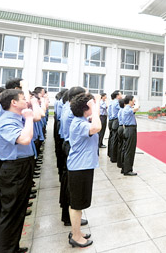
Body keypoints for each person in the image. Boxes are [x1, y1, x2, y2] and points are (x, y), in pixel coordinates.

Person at [0, 89, 38, 253]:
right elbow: (25, 139)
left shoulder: (16, 118)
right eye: (23, 98)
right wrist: (29, 119)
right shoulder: (6, 121)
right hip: (14, 169)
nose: (26, 101)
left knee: (18, 211)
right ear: (13, 102)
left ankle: (13, 246)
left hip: (21, 166)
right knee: (11, 213)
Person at [67, 92, 101, 248]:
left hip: (83, 166)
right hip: (79, 168)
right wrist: (94, 106)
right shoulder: (79, 124)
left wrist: (95, 106)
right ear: (84, 108)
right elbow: (97, 126)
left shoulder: (81, 121)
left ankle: (77, 231)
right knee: (76, 204)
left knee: (78, 203)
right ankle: (75, 236)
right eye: (89, 105)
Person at [59, 87, 88, 227]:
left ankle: (69, 216)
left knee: (69, 182)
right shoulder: (72, 111)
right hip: (71, 145)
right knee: (71, 185)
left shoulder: (68, 108)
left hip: (68, 143)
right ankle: (70, 217)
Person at [121, 95, 139, 176]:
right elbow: (136, 108)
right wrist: (137, 101)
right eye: (133, 100)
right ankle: (127, 170)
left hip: (128, 129)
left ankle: (124, 168)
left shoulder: (126, 108)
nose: (134, 102)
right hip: (130, 130)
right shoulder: (127, 108)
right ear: (130, 101)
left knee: (126, 149)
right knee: (129, 150)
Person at [107, 90, 122, 162]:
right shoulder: (116, 102)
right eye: (120, 94)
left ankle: (110, 154)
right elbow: (122, 109)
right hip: (116, 121)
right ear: (117, 96)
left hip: (112, 120)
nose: (121, 95)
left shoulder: (112, 102)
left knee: (112, 138)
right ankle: (113, 157)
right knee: (115, 139)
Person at [116, 99, 126, 169]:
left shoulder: (120, 110)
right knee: (123, 146)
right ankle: (121, 163)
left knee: (120, 145)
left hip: (120, 127)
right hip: (122, 127)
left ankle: (119, 162)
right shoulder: (123, 111)